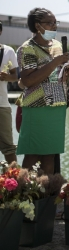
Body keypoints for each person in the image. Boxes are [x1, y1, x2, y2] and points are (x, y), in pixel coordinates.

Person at [16, 8, 69, 174]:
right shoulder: (27, 48)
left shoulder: (57, 46)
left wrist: (67, 72)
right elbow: (28, 80)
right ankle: (24, 195)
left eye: (55, 22)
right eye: (50, 22)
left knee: (50, 155)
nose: (54, 26)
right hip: (37, 107)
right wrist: (54, 63)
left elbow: (56, 75)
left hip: (57, 106)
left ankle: (47, 194)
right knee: (33, 154)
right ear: (37, 25)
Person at [0, 22, 18, 164]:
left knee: (8, 147)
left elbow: (16, 76)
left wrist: (6, 77)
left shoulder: (8, 51)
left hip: (2, 104)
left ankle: (14, 182)